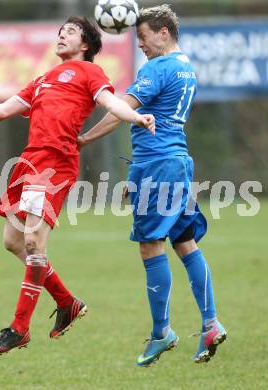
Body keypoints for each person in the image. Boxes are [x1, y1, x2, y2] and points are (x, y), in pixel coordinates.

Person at [0, 16, 155, 354]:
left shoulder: (89, 72)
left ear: (85, 45)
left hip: (55, 163)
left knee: (33, 242)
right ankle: (67, 303)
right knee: (13, 241)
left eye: (69, 32)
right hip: (29, 163)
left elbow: (111, 103)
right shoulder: (42, 80)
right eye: (60, 31)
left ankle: (19, 328)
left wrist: (136, 117)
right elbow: (1, 111)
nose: (61, 35)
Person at [78, 5, 226, 366]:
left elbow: (120, 109)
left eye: (143, 37)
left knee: (149, 246)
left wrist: (83, 140)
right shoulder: (186, 66)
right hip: (177, 161)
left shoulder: (158, 68)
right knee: (185, 242)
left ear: (164, 33)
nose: (140, 44)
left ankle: (162, 332)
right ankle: (210, 323)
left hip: (156, 165)